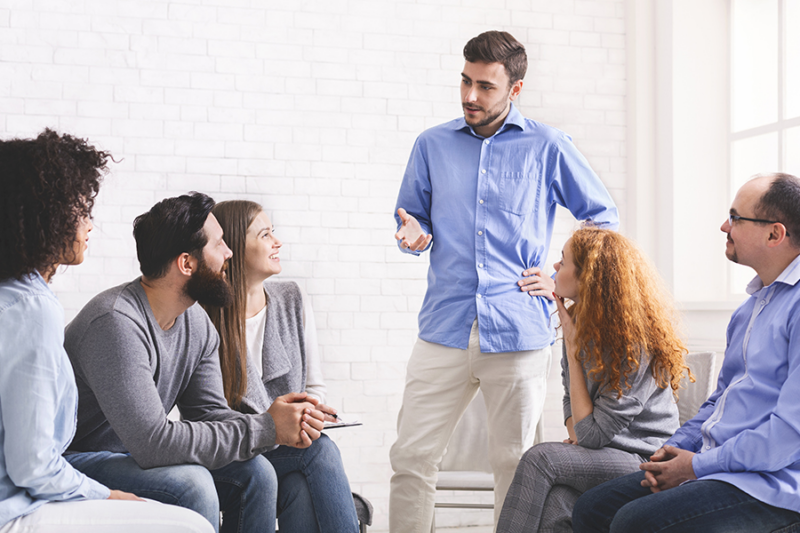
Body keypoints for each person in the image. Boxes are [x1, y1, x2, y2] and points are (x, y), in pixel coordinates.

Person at [390, 30, 619, 531]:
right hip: (444, 327)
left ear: (515, 89)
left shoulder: (548, 145)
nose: (471, 96)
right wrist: (414, 233)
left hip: (517, 330)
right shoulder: (431, 145)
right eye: (466, 82)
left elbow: (603, 218)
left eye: (486, 87)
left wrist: (563, 276)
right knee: (411, 456)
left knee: (514, 466)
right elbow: (414, 218)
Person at [63, 192, 327, 533]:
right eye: (219, 245)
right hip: (81, 459)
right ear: (186, 263)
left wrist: (274, 421)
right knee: (193, 483)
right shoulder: (116, 323)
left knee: (257, 473)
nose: (229, 253)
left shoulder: (195, 321)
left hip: (132, 456)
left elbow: (208, 413)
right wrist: (264, 428)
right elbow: (153, 444)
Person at [0, 129, 212, 533]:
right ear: (46, 216)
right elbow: (32, 466)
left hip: (27, 494)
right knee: (192, 526)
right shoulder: (32, 309)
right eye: (79, 211)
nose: (89, 225)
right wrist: (105, 495)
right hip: (15, 508)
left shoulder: (15, 298)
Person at [572, 173, 800, 533]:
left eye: (736, 217)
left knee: (635, 522)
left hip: (773, 483)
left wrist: (695, 466)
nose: (725, 225)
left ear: (775, 234)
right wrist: (672, 451)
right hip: (719, 466)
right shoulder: (751, 308)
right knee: (593, 508)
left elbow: (789, 436)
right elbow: (719, 402)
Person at [496, 227, 688, 533]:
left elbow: (591, 436)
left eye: (563, 260)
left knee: (541, 458)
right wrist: (582, 434)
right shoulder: (578, 327)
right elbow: (571, 407)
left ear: (588, 276)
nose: (555, 267)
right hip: (601, 453)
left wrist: (573, 352)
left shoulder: (636, 345)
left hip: (644, 457)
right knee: (558, 501)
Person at [203, 199, 359, 533]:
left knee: (297, 489)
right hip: (239, 451)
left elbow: (314, 387)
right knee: (320, 452)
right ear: (233, 249)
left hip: (290, 443)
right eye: (265, 235)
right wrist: (276, 425)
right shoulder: (206, 316)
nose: (277, 242)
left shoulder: (292, 299)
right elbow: (207, 414)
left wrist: (310, 414)